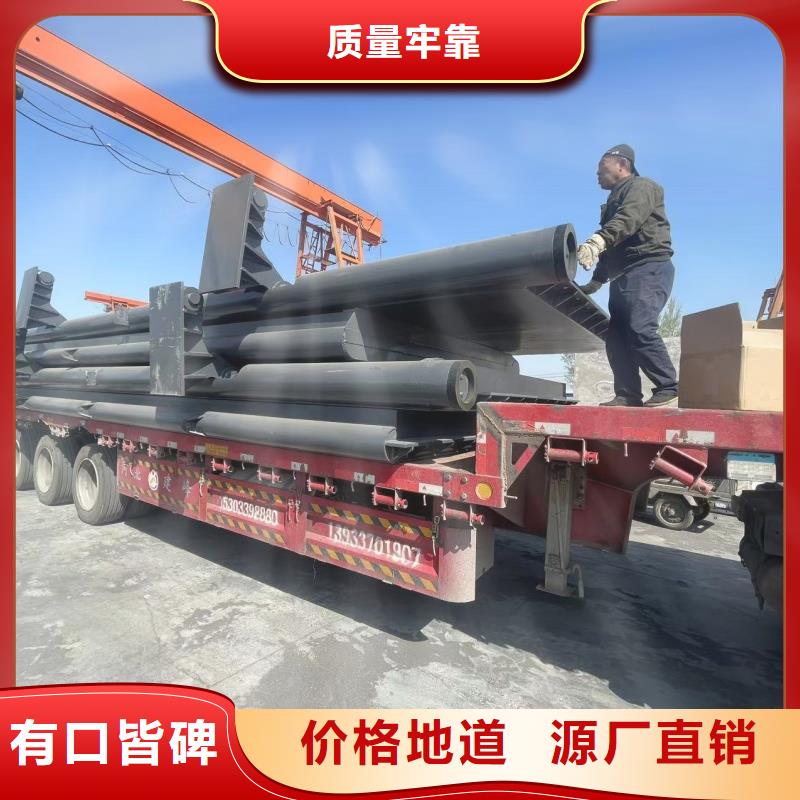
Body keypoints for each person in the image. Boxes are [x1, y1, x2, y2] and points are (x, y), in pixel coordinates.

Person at [577, 144, 679, 407]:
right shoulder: (613, 201)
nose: (597, 174)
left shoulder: (643, 187)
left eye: (602, 167)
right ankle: (627, 394)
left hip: (648, 267)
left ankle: (669, 387)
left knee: (639, 326)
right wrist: (597, 281)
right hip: (623, 275)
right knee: (616, 338)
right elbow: (613, 244)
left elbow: (628, 219)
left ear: (622, 164)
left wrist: (597, 240)